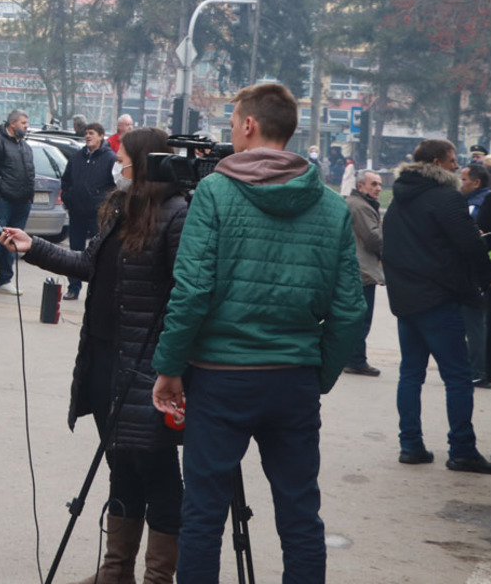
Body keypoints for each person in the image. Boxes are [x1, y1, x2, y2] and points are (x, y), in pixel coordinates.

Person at [150, 82, 366, 583]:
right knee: (299, 514)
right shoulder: (332, 206)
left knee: (203, 514)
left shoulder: (216, 192)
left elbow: (193, 290)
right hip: (292, 378)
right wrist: (317, 374)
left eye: (232, 122)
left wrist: (169, 366)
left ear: (249, 125)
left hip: (220, 377)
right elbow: (349, 310)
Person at [4, 127, 187, 584]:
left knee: (158, 472)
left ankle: (158, 578)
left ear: (143, 164)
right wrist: (34, 248)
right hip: (105, 358)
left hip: (148, 367)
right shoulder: (122, 210)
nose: (114, 166)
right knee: (120, 464)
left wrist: (171, 365)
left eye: (121, 158)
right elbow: (89, 264)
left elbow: (188, 295)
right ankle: (116, 572)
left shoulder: (176, 214)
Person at [385, 139, 491, 471]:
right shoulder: (447, 199)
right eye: (451, 161)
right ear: (436, 162)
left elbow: (389, 245)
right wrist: (486, 278)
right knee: (458, 377)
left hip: (407, 300)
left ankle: (410, 445)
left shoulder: (399, 200)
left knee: (411, 374)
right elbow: (470, 244)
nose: (457, 166)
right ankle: (461, 449)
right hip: (441, 299)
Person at [58, 121, 117, 301]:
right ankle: (73, 288)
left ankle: (97, 289)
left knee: (99, 252)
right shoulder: (77, 157)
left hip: (98, 215)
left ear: (101, 136)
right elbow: (66, 181)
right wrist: (69, 198)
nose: (88, 136)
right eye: (86, 133)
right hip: (77, 213)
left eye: (92, 133)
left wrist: (104, 204)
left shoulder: (110, 158)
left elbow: (115, 186)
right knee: (75, 252)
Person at [0, 109, 34, 296]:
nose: (26, 127)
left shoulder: (25, 146)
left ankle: (5, 280)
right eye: (23, 123)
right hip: (3, 201)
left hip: (23, 201)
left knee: (13, 242)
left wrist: (30, 196)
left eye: (26, 123)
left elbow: (30, 172)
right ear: (12, 123)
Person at [343, 170, 386, 377]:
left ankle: (352, 358)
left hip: (358, 269)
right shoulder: (360, 206)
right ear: (361, 187)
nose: (378, 188)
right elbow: (373, 239)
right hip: (362, 270)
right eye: (373, 184)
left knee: (357, 317)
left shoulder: (358, 204)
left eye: (379, 184)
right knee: (362, 318)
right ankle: (356, 360)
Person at [462, 163, 491, 389]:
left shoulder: (480, 203)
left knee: (476, 324)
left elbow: (477, 237)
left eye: (463, 179)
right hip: (482, 272)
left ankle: (478, 369)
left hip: (478, 273)